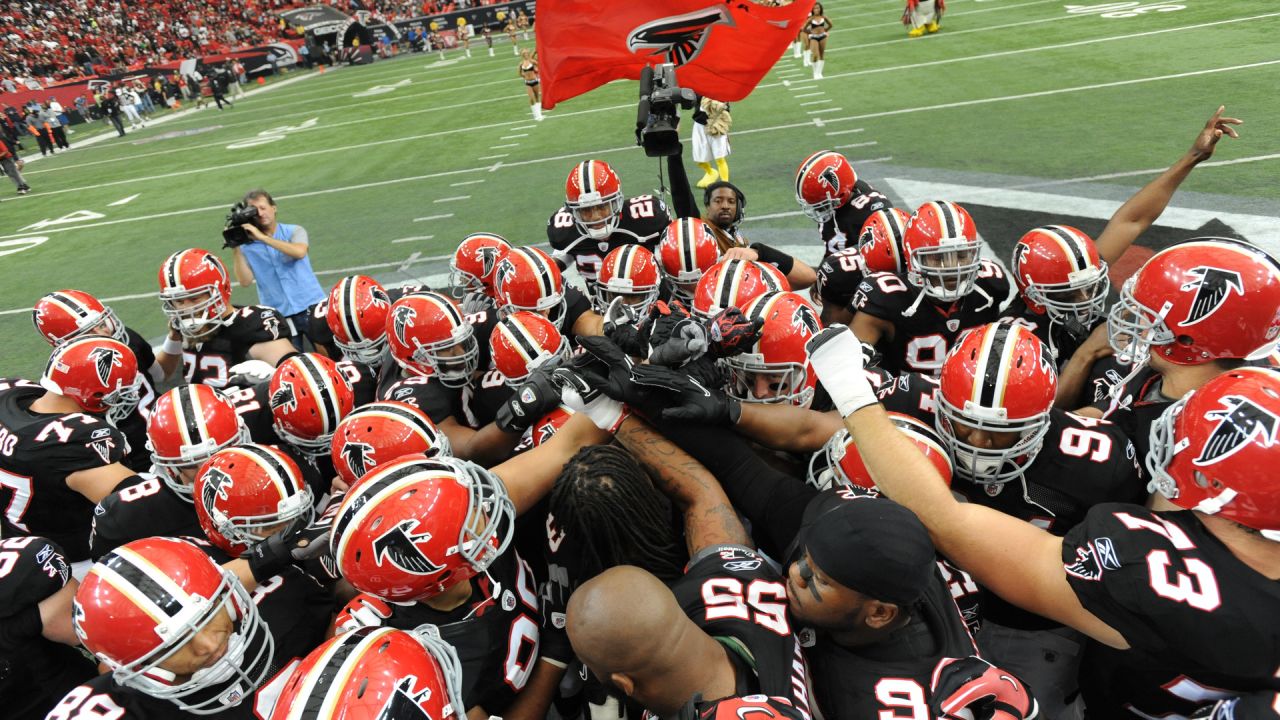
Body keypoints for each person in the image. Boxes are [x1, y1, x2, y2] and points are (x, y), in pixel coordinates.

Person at [805, 321, 1280, 719]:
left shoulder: (1149, 565)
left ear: (1226, 494)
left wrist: (851, 390)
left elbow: (947, 518)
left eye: (1192, 457)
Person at [0, 338, 140, 566]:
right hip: (72, 561)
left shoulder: (8, 397)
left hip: (15, 544)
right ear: (92, 393)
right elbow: (138, 509)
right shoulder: (74, 443)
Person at [156, 248, 297, 388]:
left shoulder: (250, 324)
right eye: (179, 301)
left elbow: (300, 373)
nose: (187, 309)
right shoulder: (182, 325)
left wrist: (276, 376)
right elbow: (162, 372)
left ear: (221, 289)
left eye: (194, 298)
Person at [230, 189, 327, 349]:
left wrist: (263, 238)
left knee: (327, 354)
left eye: (263, 208)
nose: (260, 213)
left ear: (274, 208)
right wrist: (236, 247)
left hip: (311, 306)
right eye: (255, 211)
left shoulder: (294, 231)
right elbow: (245, 281)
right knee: (292, 362)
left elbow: (299, 252)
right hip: (279, 314)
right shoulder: (247, 247)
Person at [692, 96, 731, 189]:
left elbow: (726, 107)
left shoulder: (720, 89)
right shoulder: (698, 90)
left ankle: (725, 184)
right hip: (700, 126)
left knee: (720, 158)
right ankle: (711, 172)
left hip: (716, 125)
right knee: (699, 159)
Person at [804, 3, 833, 80]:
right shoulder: (811, 19)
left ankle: (819, 73)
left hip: (823, 37)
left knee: (822, 55)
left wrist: (825, 31)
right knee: (815, 55)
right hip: (814, 37)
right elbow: (804, 29)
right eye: (815, 8)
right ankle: (815, 73)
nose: (817, 10)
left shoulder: (823, 17)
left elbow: (830, 25)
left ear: (821, 9)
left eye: (818, 8)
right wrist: (810, 33)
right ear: (812, 10)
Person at [518, 49, 542, 121]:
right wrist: (524, 76)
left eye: (526, 53)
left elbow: (540, 67)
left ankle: (539, 115)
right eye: (524, 53)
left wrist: (537, 72)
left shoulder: (532, 61)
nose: (525, 54)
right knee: (531, 99)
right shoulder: (521, 64)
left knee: (537, 98)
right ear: (522, 55)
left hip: (534, 81)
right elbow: (519, 73)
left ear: (528, 54)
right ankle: (535, 115)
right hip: (528, 83)